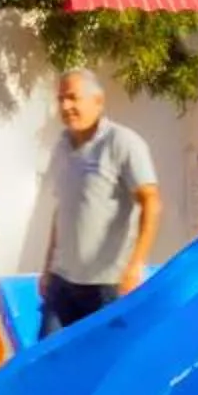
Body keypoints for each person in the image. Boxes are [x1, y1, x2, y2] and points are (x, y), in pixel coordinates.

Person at [39, 70, 159, 336]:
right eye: (61, 99)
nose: (66, 106)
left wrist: (135, 265)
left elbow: (151, 201)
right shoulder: (61, 147)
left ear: (98, 101)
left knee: (104, 367)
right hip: (62, 283)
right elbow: (63, 210)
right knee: (49, 360)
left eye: (73, 98)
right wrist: (47, 267)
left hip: (107, 286)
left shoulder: (122, 143)